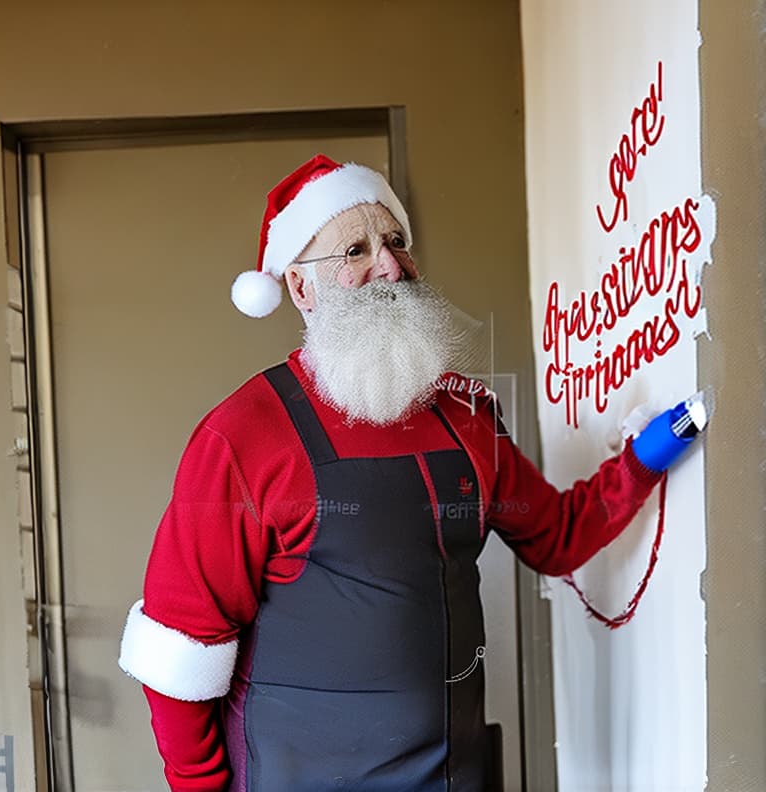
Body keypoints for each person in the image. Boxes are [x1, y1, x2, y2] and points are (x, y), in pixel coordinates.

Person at [119, 154, 688, 792]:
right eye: (355, 249)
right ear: (300, 288)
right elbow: (181, 650)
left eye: (395, 241)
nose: (388, 264)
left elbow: (557, 535)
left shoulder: (467, 413)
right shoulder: (242, 435)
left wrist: (645, 459)